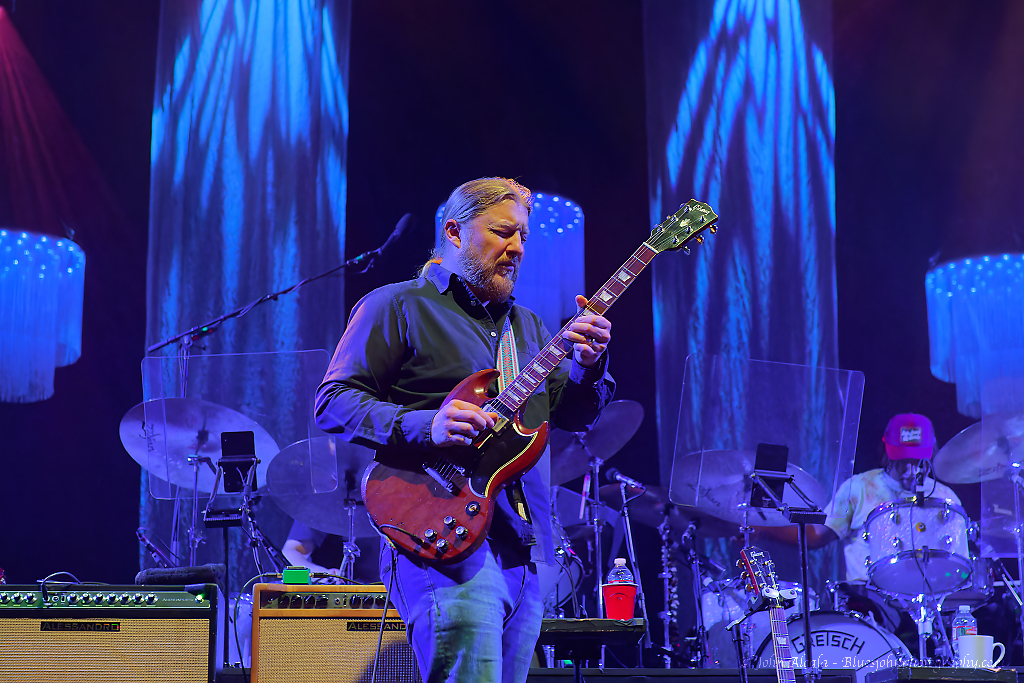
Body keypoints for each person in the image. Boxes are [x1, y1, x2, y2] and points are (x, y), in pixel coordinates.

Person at [313, 177, 615, 683]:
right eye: (501, 232)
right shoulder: (396, 306)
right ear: (454, 232)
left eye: (523, 235)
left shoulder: (532, 330)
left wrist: (589, 365)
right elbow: (333, 402)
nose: (516, 247)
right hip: (439, 539)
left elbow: (572, 415)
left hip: (523, 549)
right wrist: (426, 425)